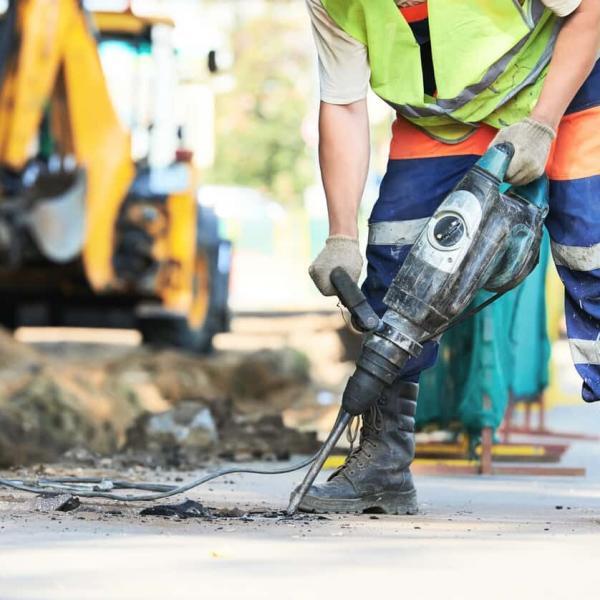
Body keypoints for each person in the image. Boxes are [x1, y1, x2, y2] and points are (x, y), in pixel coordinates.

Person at [301, 0, 600, 514]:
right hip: (443, 121)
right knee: (394, 281)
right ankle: (381, 468)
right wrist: (341, 235)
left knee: (592, 259)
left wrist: (544, 122)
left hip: (567, 93)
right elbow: (344, 104)